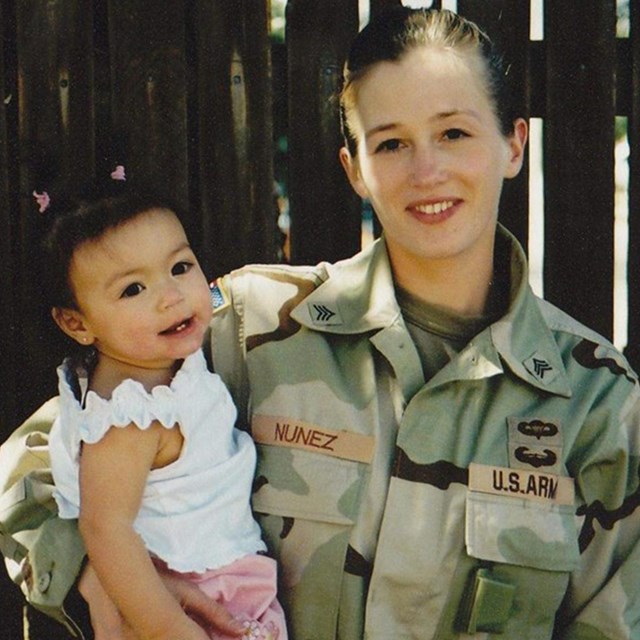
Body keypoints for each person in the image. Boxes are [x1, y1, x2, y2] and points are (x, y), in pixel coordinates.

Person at [2, 6, 640, 639]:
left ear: (513, 144)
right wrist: (103, 578)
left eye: (454, 134)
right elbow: (27, 469)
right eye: (390, 143)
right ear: (354, 169)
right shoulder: (250, 330)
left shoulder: (596, 402)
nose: (427, 172)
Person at [12, 175, 286, 640]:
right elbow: (105, 530)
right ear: (76, 323)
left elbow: (217, 295)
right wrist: (170, 630)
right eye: (133, 290)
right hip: (190, 596)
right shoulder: (131, 416)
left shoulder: (163, 358)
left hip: (220, 579)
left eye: (180, 267)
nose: (171, 295)